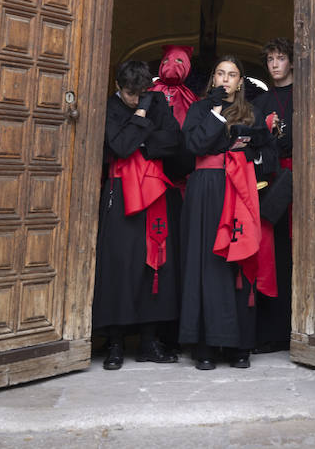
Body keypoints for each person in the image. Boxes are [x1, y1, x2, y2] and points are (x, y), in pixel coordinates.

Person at [178, 55, 276, 370]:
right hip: (205, 190)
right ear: (213, 80)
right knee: (206, 262)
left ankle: (239, 345)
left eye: (232, 75)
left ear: (240, 82)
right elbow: (194, 145)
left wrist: (251, 153)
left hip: (240, 189)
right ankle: (205, 345)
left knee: (239, 262)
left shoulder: (251, 112)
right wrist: (217, 112)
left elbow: (268, 156)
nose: (225, 79)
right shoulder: (199, 110)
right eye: (220, 73)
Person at [92, 60, 189, 370]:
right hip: (120, 195)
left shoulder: (157, 99)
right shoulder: (110, 106)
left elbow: (173, 140)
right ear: (120, 89)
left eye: (142, 95)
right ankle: (116, 343)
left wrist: (141, 141)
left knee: (155, 263)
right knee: (119, 266)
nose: (138, 99)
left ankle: (149, 341)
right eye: (132, 95)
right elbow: (119, 146)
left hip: (156, 193)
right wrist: (142, 116)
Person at [253, 37, 295, 353]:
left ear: (291, 61)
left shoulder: (305, 95)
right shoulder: (261, 103)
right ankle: (274, 334)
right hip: (272, 184)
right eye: (270, 60)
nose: (275, 64)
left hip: (302, 180)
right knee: (274, 256)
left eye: (280, 58)